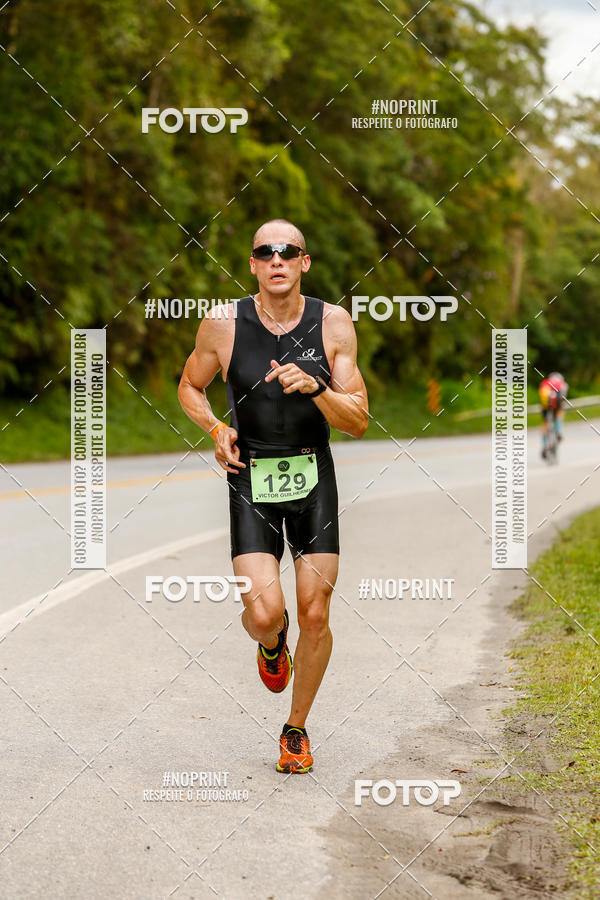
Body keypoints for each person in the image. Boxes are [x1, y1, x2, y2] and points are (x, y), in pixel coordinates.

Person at [178, 218, 369, 773]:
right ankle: (269, 645)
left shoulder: (334, 325)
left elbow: (357, 420)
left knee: (315, 611)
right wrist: (216, 428)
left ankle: (295, 729)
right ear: (254, 264)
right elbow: (190, 385)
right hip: (250, 477)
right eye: (266, 252)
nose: (277, 259)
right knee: (266, 614)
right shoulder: (222, 325)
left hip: (313, 477)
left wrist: (319, 387)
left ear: (304, 262)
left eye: (289, 251)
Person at [539, 371, 568, 459]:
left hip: (545, 404)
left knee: (545, 423)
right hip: (557, 403)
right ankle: (558, 431)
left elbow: (541, 396)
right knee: (560, 411)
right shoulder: (563, 384)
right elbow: (563, 398)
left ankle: (544, 446)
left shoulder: (544, 383)